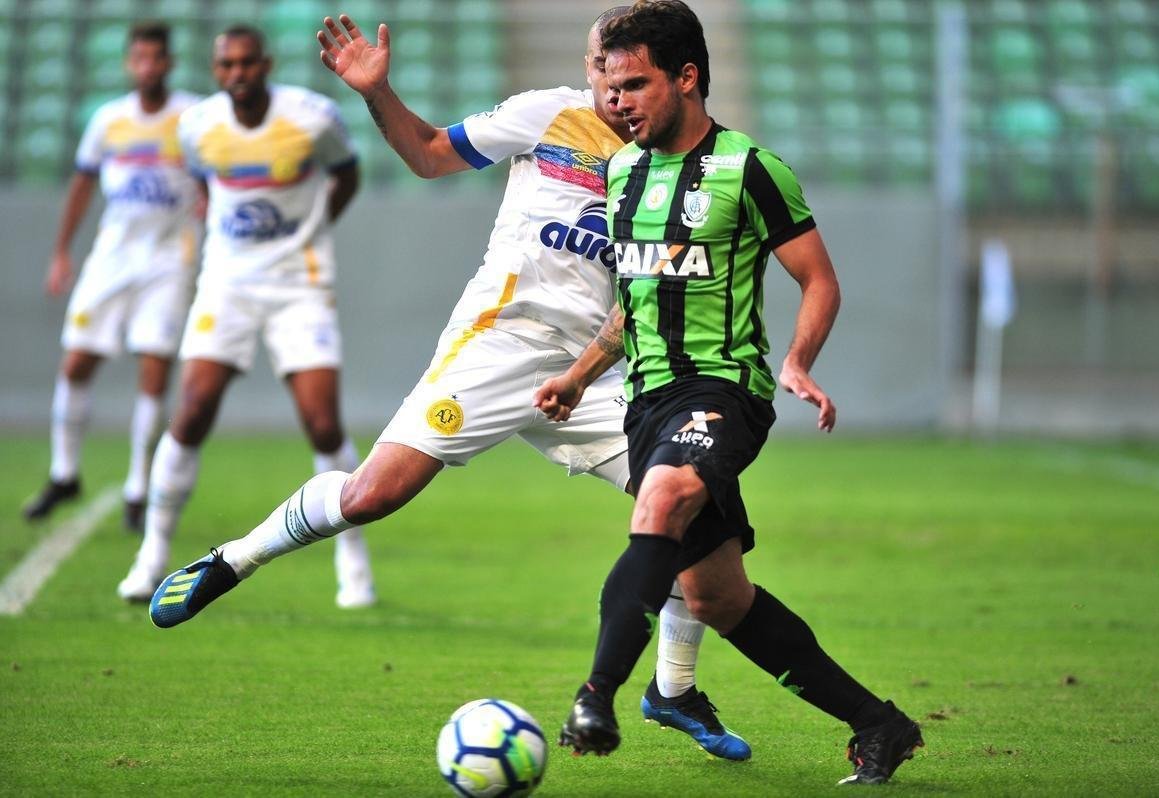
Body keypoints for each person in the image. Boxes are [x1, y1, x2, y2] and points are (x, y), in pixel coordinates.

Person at [143, 10, 751, 761]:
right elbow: (430, 154)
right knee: (374, 495)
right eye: (596, 66)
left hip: (589, 369)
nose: (604, 84)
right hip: (499, 343)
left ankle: (672, 689)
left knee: (693, 514)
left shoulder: (677, 167)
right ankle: (236, 557)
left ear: (664, 76)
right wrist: (378, 92)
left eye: (618, 70)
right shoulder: (547, 115)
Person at [534, 1, 923, 786]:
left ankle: (595, 697)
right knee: (717, 598)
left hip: (723, 391)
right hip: (647, 402)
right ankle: (882, 724)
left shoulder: (749, 168)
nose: (617, 103)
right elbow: (637, 295)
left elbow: (819, 280)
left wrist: (799, 360)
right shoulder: (622, 170)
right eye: (609, 88)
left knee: (663, 499)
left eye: (635, 85)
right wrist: (579, 374)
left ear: (687, 77)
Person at [116, 25, 376, 611]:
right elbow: (200, 182)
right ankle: (151, 555)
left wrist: (310, 232)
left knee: (322, 424)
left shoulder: (313, 117)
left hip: (299, 286)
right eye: (225, 65)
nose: (236, 74)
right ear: (216, 71)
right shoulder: (198, 126)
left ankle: (352, 560)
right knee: (193, 409)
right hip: (227, 285)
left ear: (265, 64)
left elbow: (347, 175)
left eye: (246, 64)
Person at [23, 22, 199, 532]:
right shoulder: (108, 120)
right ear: (130, 63)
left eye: (156, 58)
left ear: (168, 63)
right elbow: (82, 184)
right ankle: (64, 472)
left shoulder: (191, 116)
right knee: (77, 360)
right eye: (139, 58)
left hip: (169, 259)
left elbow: (213, 176)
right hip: (112, 258)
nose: (147, 67)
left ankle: (139, 487)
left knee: (153, 370)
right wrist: (61, 251)